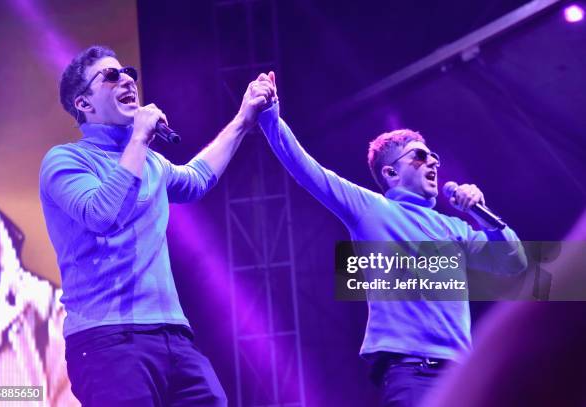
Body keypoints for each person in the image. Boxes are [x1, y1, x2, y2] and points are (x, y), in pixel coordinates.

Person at [255, 72, 527, 407]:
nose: (432, 162)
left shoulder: (454, 227)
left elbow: (514, 263)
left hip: (462, 376)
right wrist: (270, 116)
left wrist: (482, 215)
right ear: (391, 173)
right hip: (413, 376)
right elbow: (307, 170)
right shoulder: (372, 209)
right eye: (419, 156)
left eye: (434, 158)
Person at [39, 45, 274, 406]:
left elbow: (196, 178)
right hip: (107, 341)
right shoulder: (65, 160)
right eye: (111, 75)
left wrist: (244, 118)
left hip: (174, 336)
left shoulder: (150, 161)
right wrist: (138, 138)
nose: (128, 79)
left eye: (128, 71)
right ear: (83, 104)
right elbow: (103, 216)